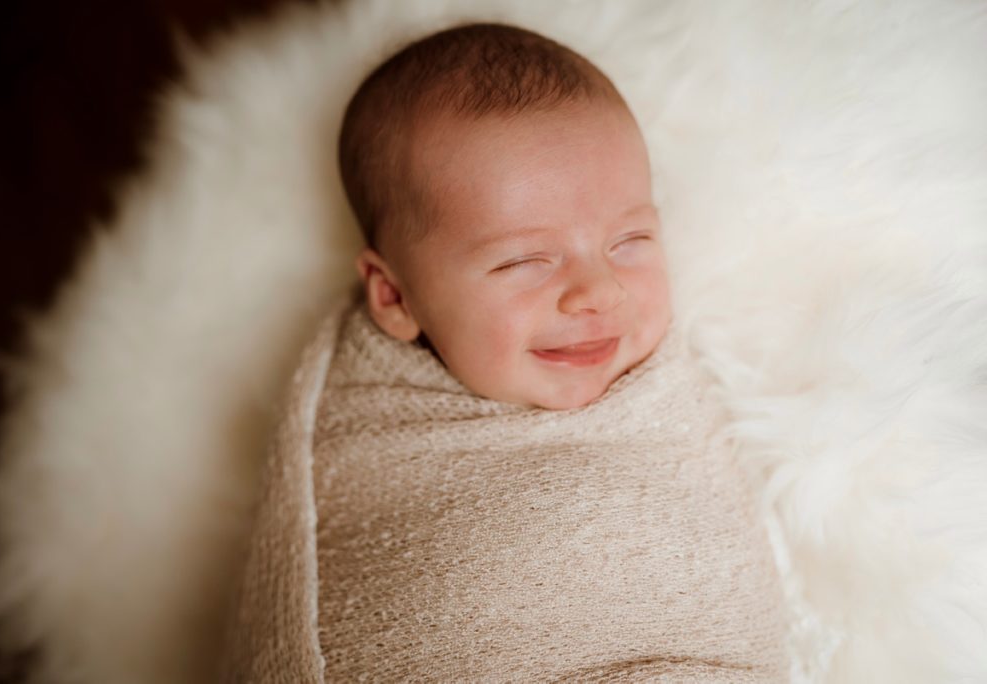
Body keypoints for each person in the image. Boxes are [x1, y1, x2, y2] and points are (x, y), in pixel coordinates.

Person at [222, 22, 789, 682]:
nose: (595, 292)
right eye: (525, 261)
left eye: (629, 241)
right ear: (395, 297)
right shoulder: (368, 437)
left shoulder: (677, 383)